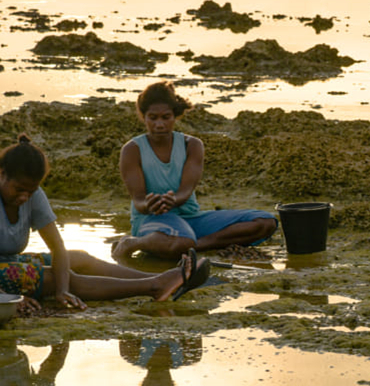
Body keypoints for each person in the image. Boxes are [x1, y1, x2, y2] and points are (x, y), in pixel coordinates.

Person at [0, 134, 210, 313]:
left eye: (31, 191)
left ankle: (170, 279)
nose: (24, 197)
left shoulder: (33, 194)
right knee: (58, 276)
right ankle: (154, 286)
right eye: (18, 189)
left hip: (6, 261)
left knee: (76, 258)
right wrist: (9, 299)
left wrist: (61, 292)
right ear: (2, 175)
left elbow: (57, 247)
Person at [111, 80, 279, 260]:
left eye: (166, 117)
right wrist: (150, 205)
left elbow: (185, 192)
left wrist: (173, 200)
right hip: (151, 220)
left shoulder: (192, 145)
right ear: (143, 116)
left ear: (175, 116)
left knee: (266, 222)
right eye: (153, 118)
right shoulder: (132, 149)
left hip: (190, 218)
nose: (159, 124)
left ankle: (194, 245)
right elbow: (139, 202)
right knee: (181, 239)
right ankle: (133, 242)